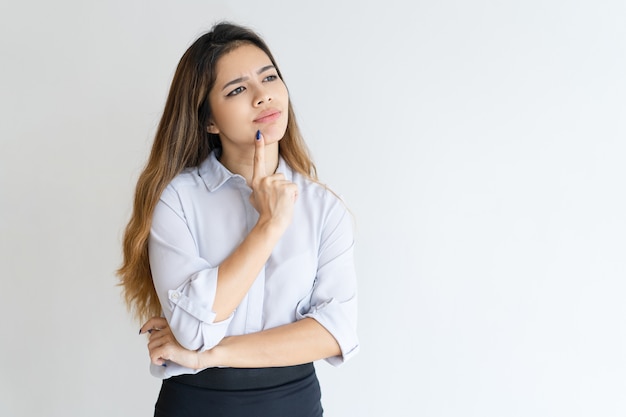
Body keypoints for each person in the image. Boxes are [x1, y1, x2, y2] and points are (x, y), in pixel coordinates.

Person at [117, 21, 358, 417]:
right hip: (196, 405)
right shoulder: (177, 200)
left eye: (269, 77)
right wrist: (270, 226)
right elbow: (192, 334)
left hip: (293, 405)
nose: (263, 96)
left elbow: (335, 333)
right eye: (238, 89)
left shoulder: (323, 207)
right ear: (209, 120)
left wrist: (211, 355)